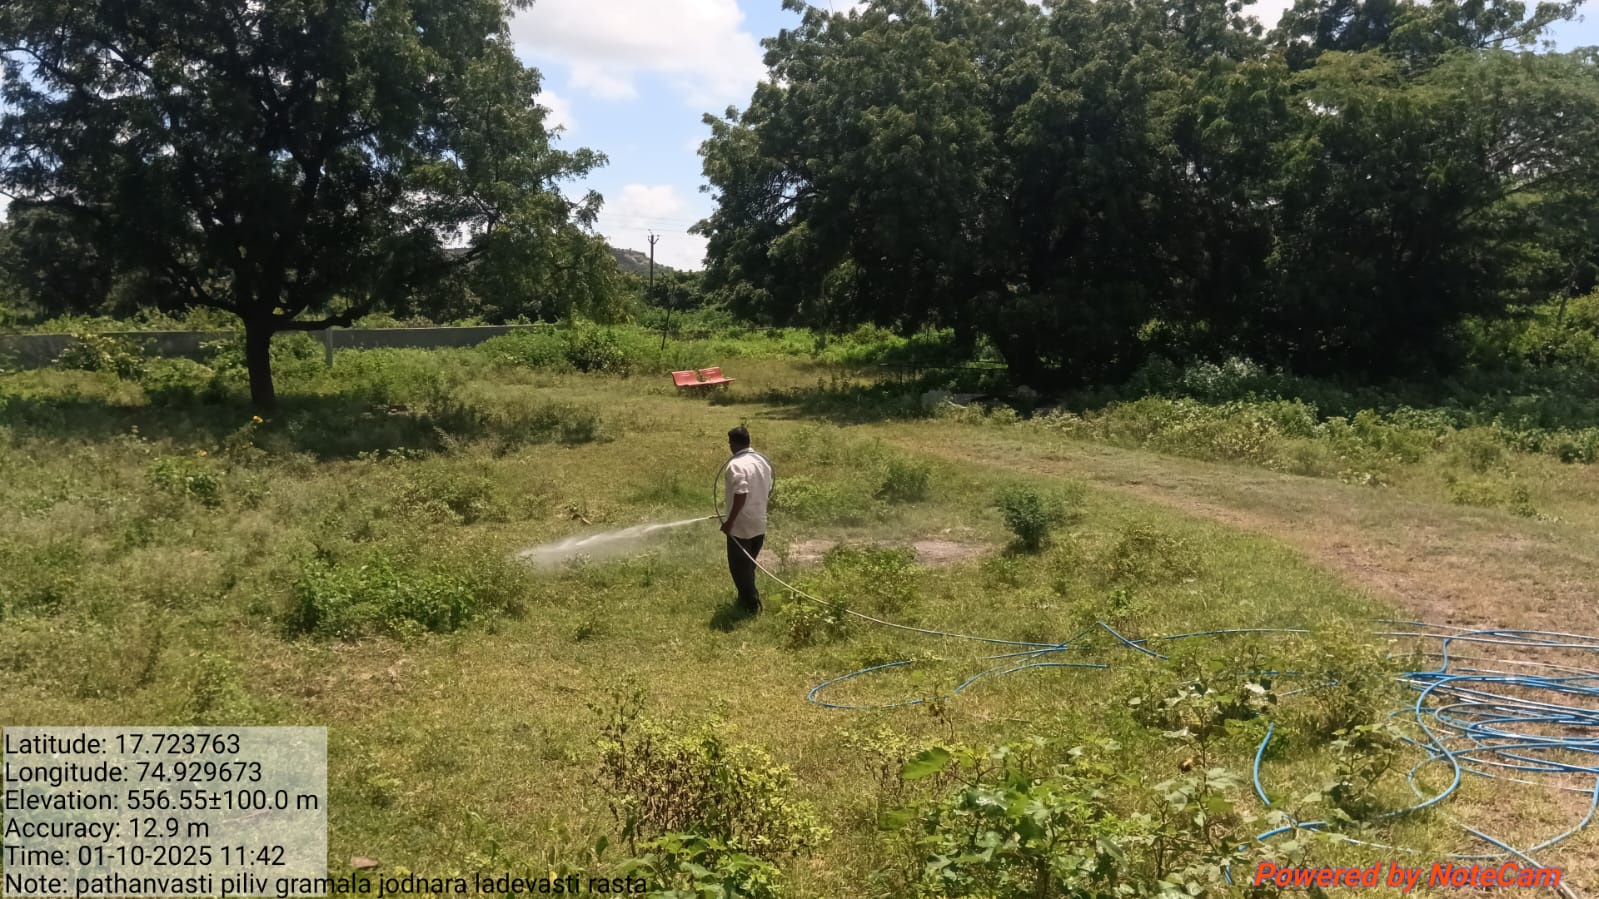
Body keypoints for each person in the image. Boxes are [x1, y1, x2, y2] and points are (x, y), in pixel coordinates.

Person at [721, 426, 773, 615]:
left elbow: (741, 493)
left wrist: (730, 522)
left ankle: (752, 605)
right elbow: (768, 488)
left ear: (734, 444)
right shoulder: (762, 461)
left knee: (739, 567)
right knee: (748, 566)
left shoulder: (735, 465)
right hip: (760, 521)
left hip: (741, 526)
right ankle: (744, 599)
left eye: (730, 443)